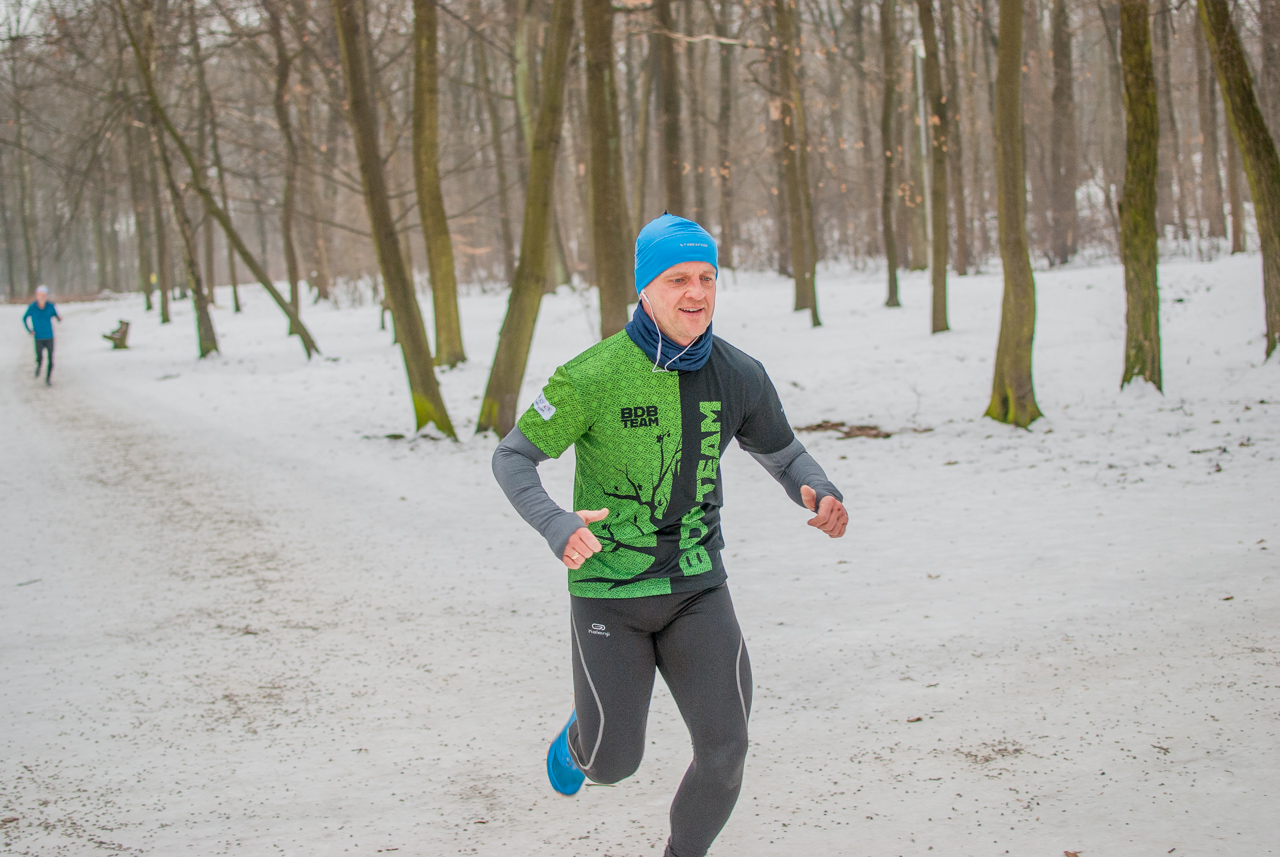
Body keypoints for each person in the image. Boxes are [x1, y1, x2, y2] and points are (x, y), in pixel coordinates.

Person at [492, 214, 848, 857]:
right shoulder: (591, 376)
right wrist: (556, 522)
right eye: (678, 278)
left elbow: (786, 456)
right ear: (645, 289)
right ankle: (583, 737)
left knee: (726, 751)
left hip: (696, 588)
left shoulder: (740, 375)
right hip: (609, 592)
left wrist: (820, 488)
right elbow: (512, 458)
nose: (696, 293)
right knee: (611, 763)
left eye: (707, 277)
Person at [23, 286, 61, 386]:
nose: (42, 297)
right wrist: (30, 330)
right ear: (37, 295)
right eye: (40, 295)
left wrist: (59, 318)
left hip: (49, 336)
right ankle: (39, 366)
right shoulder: (32, 307)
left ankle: (48, 379)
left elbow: (56, 316)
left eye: (44, 295)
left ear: (46, 296)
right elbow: (24, 318)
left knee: (51, 359)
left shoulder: (50, 306)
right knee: (40, 357)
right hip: (38, 337)